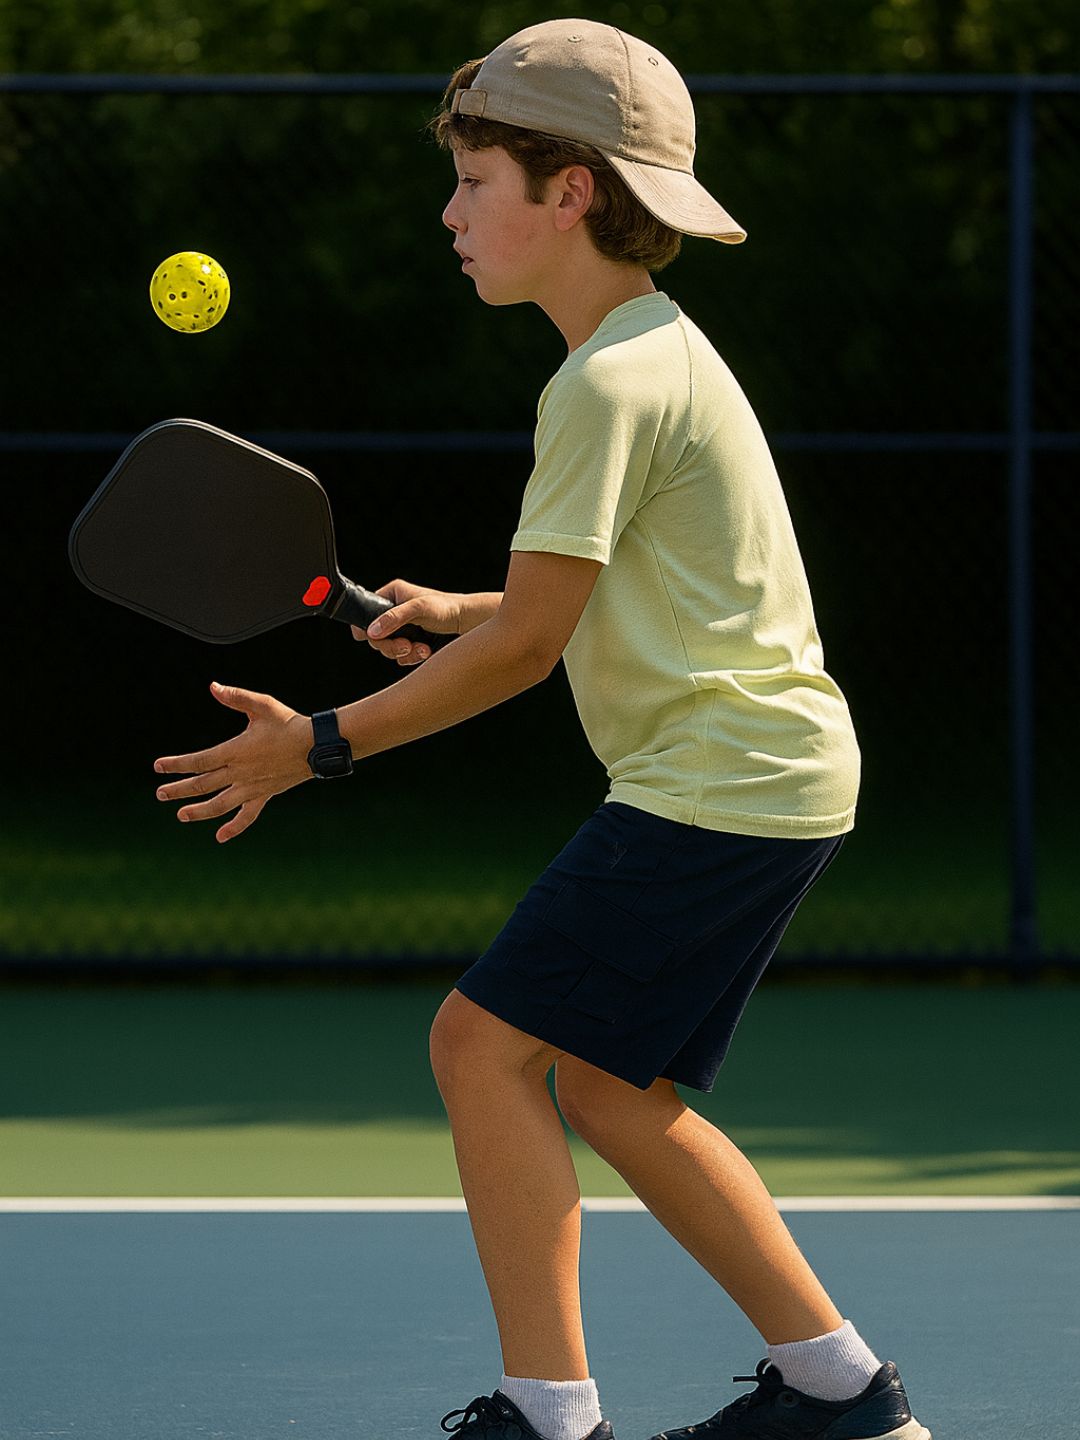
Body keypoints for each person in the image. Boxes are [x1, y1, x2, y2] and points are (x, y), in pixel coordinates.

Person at [152, 19, 930, 1440]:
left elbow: (530, 651)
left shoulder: (601, 383)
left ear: (569, 191)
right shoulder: (653, 351)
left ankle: (549, 1420)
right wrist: (457, 606)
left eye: (473, 180)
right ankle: (841, 1392)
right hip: (775, 775)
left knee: (478, 1046)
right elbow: (572, 592)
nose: (449, 215)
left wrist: (315, 744)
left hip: (718, 778)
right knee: (609, 1089)